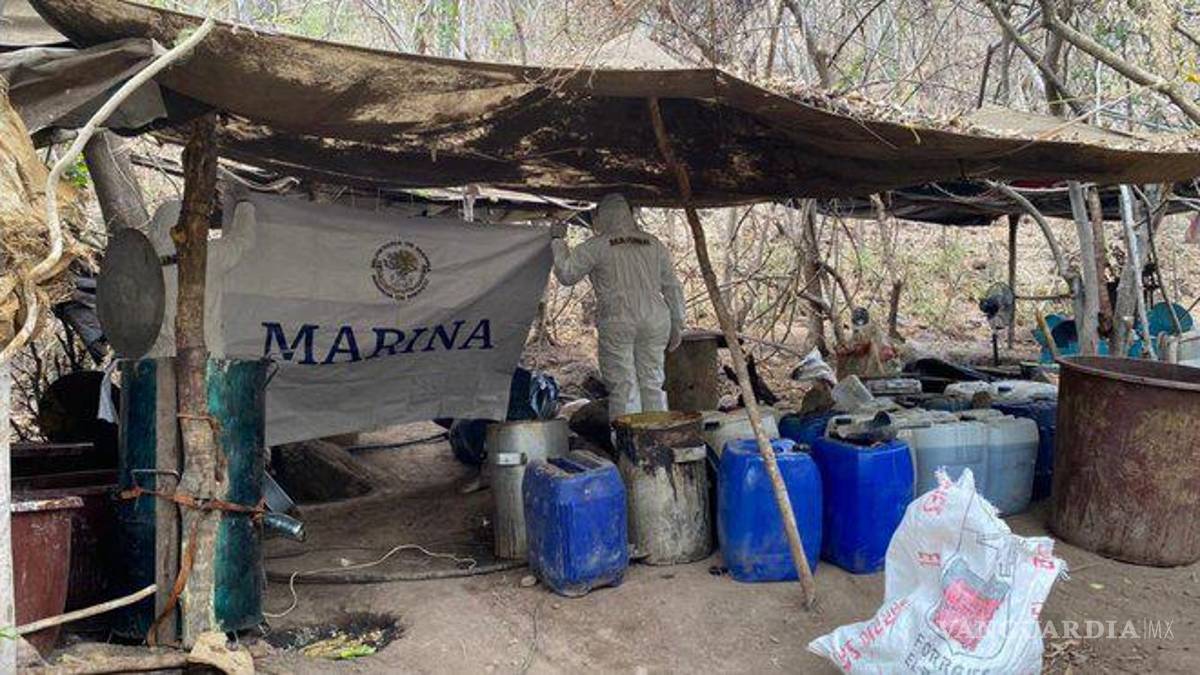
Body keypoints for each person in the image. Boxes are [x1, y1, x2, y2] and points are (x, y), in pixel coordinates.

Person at [550, 194, 686, 420]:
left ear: (601, 216)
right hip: (655, 318)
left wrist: (557, 241)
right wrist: (678, 323)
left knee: (624, 385)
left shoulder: (596, 246)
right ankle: (656, 433)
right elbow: (672, 286)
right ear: (629, 214)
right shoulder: (653, 244)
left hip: (618, 318)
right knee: (652, 381)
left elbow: (566, 274)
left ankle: (628, 437)